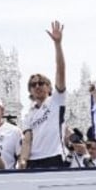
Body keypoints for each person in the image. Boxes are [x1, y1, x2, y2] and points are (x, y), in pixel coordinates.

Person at [19, 21, 67, 169]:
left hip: (54, 157)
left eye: (41, 83)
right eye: (33, 85)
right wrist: (22, 160)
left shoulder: (56, 101)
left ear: (49, 87)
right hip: (34, 161)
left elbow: (61, 70)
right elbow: (27, 140)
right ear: (30, 91)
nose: (37, 86)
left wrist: (57, 44)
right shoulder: (29, 115)